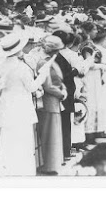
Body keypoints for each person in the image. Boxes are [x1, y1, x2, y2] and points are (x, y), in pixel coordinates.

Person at [0, 33, 52, 176]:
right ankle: (22, 171)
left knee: (7, 140)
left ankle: (5, 171)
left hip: (6, 105)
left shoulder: (1, 65)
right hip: (20, 107)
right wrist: (43, 75)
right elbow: (31, 87)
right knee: (23, 140)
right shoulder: (21, 67)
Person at [38, 35, 67, 175]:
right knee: (50, 134)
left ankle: (53, 163)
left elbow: (58, 80)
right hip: (49, 101)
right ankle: (49, 165)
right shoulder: (43, 62)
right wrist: (61, 93)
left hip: (55, 99)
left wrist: (63, 90)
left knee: (54, 133)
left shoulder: (51, 61)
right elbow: (48, 85)